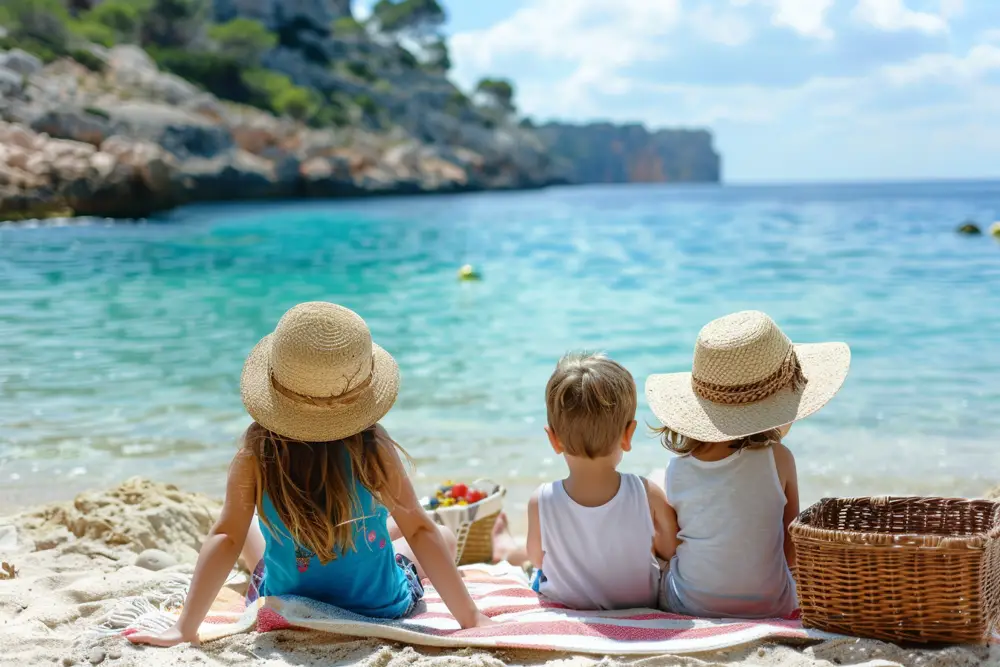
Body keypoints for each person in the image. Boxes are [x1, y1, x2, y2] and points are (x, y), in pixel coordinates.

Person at [129, 302, 493, 647]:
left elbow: (225, 535)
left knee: (244, 526)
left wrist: (185, 628)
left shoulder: (257, 452)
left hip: (285, 599)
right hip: (380, 607)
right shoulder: (372, 449)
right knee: (440, 533)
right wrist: (471, 618)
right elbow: (419, 530)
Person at [645, 310, 850, 619]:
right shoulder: (780, 459)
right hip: (770, 605)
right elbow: (791, 550)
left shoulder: (677, 470)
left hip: (690, 605)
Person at [525, 352, 676, 610]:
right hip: (637, 605)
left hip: (568, 604)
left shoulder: (541, 499)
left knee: (533, 572)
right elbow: (671, 549)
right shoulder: (647, 493)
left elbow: (537, 558)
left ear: (553, 439)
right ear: (628, 435)